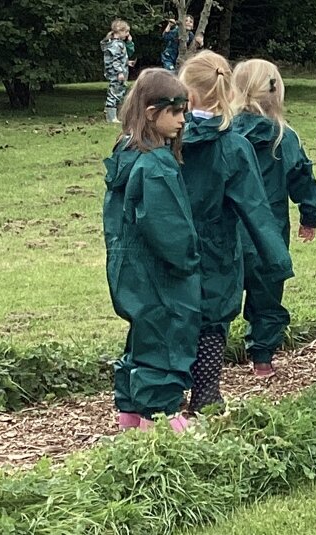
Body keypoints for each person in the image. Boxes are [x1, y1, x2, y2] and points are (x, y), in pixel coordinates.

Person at [176, 51, 292, 415]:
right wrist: (276, 258)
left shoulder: (167, 137)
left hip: (171, 240)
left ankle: (162, 397)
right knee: (213, 317)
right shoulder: (232, 146)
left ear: (187, 94)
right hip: (217, 244)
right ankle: (206, 396)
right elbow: (255, 209)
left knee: (175, 313)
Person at [105, 69, 198, 431]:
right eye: (174, 112)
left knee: (142, 335)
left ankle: (130, 414)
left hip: (128, 264)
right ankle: (161, 420)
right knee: (166, 336)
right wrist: (189, 260)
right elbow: (167, 227)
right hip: (160, 270)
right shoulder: (156, 165)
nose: (182, 120)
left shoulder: (125, 154)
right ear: (150, 112)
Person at [230, 59, 316, 377]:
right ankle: (262, 358)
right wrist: (309, 215)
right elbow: (302, 176)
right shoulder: (284, 137)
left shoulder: (222, 132)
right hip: (268, 231)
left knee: (218, 293)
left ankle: (206, 360)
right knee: (267, 294)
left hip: (226, 229)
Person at [103, 19, 137, 123]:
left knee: (119, 92)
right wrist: (119, 72)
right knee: (114, 92)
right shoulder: (115, 45)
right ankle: (111, 116)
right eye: (126, 32)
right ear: (119, 31)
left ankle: (116, 114)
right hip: (116, 74)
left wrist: (127, 63)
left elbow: (119, 58)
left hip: (120, 72)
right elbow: (115, 60)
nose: (127, 35)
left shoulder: (119, 44)